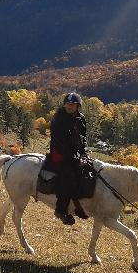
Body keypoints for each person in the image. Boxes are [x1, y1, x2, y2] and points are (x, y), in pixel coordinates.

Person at [48, 92, 88, 225]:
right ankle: (60, 210)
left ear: (78, 106)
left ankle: (80, 205)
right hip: (59, 154)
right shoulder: (58, 119)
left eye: (73, 104)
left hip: (76, 155)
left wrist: (83, 156)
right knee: (69, 176)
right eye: (68, 104)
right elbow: (60, 143)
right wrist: (75, 159)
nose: (70, 106)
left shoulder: (81, 119)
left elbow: (83, 140)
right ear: (64, 104)